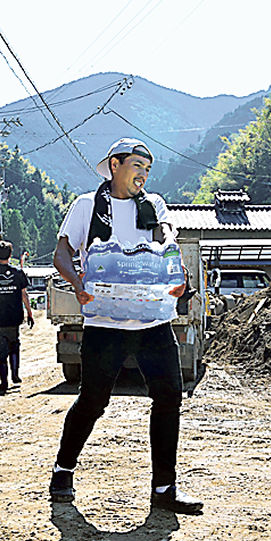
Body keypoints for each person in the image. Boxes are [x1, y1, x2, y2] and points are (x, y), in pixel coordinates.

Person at [48, 137, 202, 514]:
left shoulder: (153, 205)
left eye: (148, 168)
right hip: (104, 323)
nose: (144, 175)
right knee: (93, 400)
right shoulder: (87, 206)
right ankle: (62, 470)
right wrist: (77, 283)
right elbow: (62, 253)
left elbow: (166, 240)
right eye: (137, 166)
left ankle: (164, 489)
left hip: (153, 321)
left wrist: (176, 269)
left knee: (169, 398)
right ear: (115, 165)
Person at [0, 241, 33, 393]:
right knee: (14, 345)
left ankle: (4, 382)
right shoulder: (18, 273)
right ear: (10, 255)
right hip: (14, 318)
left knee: (0, 350)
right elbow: (24, 294)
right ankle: (15, 374)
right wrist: (29, 313)